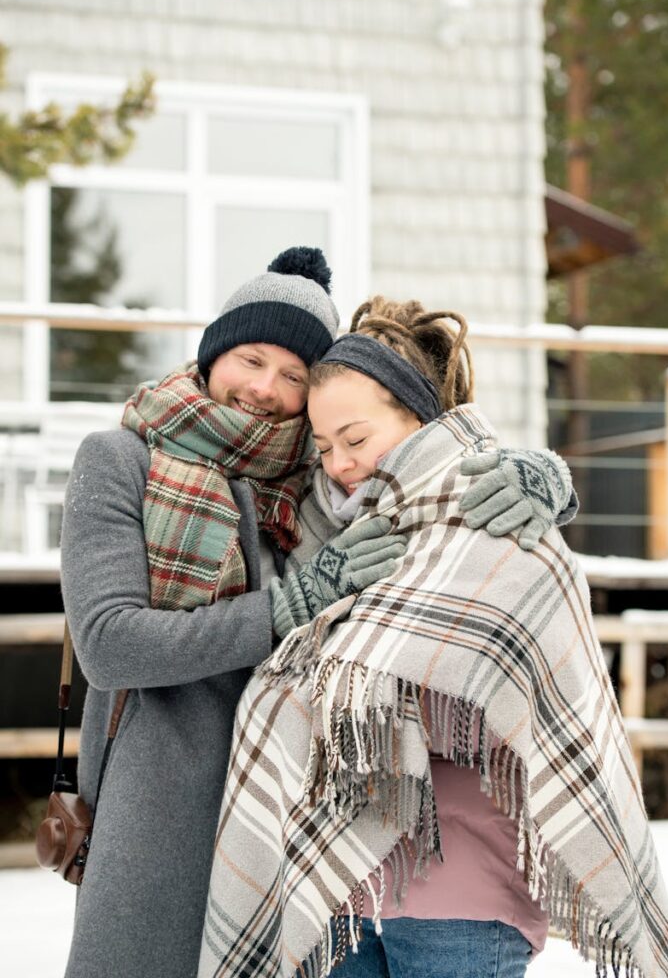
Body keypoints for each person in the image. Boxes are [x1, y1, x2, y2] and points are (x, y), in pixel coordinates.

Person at [198, 299, 668, 978]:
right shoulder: (315, 527)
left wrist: (359, 689)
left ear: (418, 419)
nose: (338, 463)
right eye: (324, 445)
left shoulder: (495, 516)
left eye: (356, 439)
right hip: (332, 889)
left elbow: (521, 701)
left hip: (461, 885)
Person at [59, 248, 407, 978]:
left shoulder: (321, 476)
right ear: (214, 353)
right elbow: (109, 645)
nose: (264, 390)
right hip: (158, 808)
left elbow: (438, 467)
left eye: (294, 377)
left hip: (290, 806)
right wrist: (289, 606)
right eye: (250, 359)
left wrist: (537, 481)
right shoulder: (122, 460)